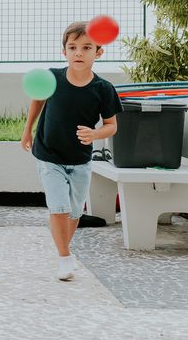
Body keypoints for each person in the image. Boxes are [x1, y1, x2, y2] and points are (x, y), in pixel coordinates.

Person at [22, 21, 121, 281]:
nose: (79, 52)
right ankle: (64, 256)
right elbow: (38, 100)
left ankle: (64, 247)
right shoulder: (52, 77)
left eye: (87, 47)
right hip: (48, 155)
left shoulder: (104, 89)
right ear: (64, 51)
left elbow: (111, 126)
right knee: (59, 208)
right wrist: (28, 128)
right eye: (73, 47)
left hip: (80, 160)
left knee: (75, 211)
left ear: (98, 52)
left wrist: (94, 133)